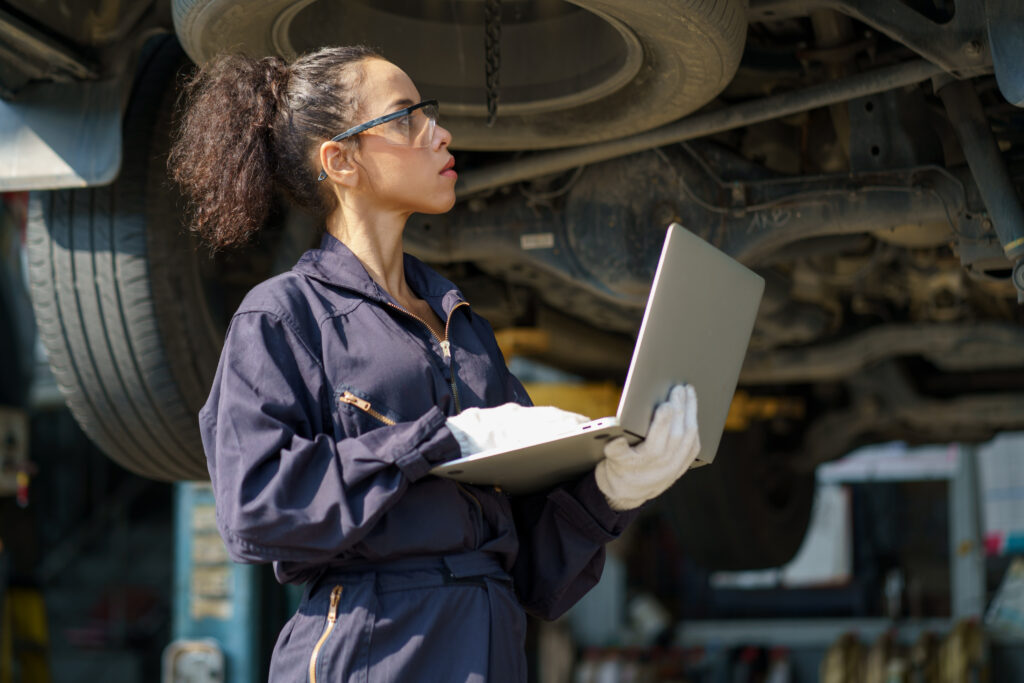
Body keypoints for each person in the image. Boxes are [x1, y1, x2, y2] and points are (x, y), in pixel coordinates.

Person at [169, 45, 702, 682]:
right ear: (342, 160)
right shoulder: (283, 318)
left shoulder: (465, 326)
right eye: (405, 119)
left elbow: (534, 572)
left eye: (431, 116)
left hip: (492, 646)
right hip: (376, 652)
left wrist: (612, 492)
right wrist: (438, 440)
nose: (439, 133)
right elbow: (256, 510)